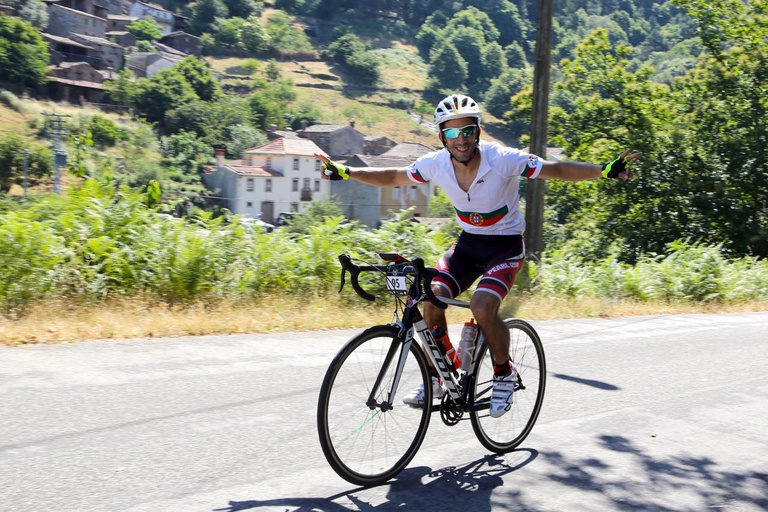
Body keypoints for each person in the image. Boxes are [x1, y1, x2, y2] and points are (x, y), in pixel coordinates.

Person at [316, 93, 640, 418]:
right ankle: (440, 374)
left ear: (478, 132)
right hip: (469, 245)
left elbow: (554, 169)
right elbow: (394, 176)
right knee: (431, 299)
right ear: (442, 136)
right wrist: (347, 172)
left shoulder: (502, 159)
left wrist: (603, 170)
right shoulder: (436, 163)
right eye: (453, 133)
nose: (461, 139)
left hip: (505, 247)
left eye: (468, 131)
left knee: (482, 307)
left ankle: (504, 373)